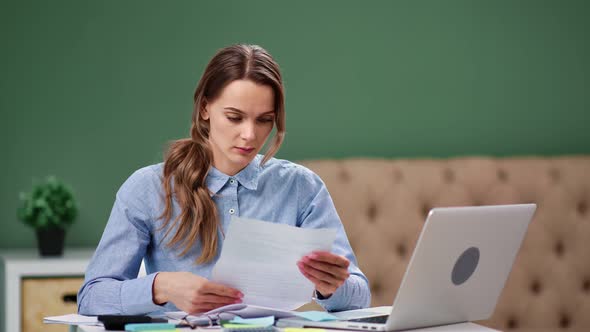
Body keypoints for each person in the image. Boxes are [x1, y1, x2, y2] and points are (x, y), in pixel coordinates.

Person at [77, 44, 371, 315]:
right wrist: (162, 286)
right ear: (205, 108)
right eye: (234, 117)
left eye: (264, 120)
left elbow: (359, 296)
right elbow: (91, 297)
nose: (250, 135)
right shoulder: (148, 188)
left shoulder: (302, 187)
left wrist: (330, 287)